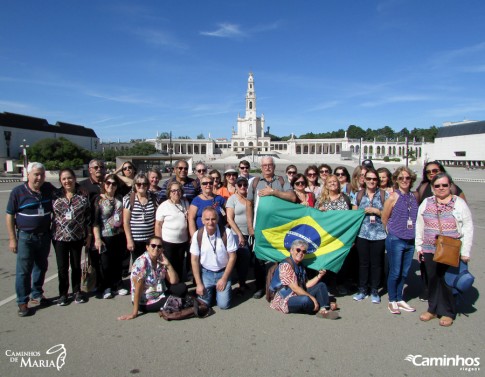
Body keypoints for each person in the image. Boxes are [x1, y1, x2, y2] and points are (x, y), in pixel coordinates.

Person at [415, 173, 473, 327]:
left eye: (444, 185)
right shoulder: (426, 202)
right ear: (433, 188)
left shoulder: (458, 203)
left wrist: (465, 252)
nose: (441, 188)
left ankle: (448, 311)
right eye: (437, 186)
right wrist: (419, 246)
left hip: (451, 248)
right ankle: (432, 309)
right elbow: (419, 224)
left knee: (448, 281)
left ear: (450, 186)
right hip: (430, 248)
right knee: (432, 279)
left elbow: (468, 227)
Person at [6, 162, 55, 317]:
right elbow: (9, 216)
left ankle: (37, 293)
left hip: (44, 235)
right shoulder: (18, 192)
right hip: (26, 237)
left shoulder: (47, 189)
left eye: (41, 174)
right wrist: (12, 239)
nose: (39, 177)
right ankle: (22, 301)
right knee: (23, 271)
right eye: (36, 174)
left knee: (41, 266)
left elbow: (65, 190)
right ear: (28, 175)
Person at [248, 156, 296, 299]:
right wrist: (250, 226)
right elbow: (248, 204)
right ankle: (260, 286)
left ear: (274, 167)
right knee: (259, 258)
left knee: (280, 257)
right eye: (264, 166)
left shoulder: (281, 181)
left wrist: (274, 192)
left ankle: (279, 286)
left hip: (279, 227)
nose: (267, 167)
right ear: (261, 167)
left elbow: (292, 197)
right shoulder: (256, 182)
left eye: (270, 165)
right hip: (261, 226)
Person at [117, 236, 187, 320]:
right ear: (147, 247)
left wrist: (168, 264)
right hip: (146, 300)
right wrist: (134, 313)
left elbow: (174, 281)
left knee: (182, 288)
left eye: (159, 246)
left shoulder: (160, 259)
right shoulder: (142, 263)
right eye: (153, 245)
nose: (156, 248)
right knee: (178, 302)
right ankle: (166, 305)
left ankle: (167, 303)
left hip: (159, 292)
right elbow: (137, 288)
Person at [270, 240, 339, 319]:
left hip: (297, 293)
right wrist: (312, 298)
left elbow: (306, 285)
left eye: (304, 251)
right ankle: (324, 305)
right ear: (291, 251)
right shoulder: (285, 265)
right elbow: (294, 288)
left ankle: (324, 309)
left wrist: (319, 276)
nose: (301, 253)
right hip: (285, 299)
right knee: (306, 300)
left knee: (321, 285)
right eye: (298, 250)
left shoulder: (300, 266)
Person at [381, 167, 419, 314]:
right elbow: (385, 217)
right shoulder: (393, 196)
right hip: (396, 238)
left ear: (411, 180)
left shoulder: (413, 196)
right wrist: (391, 231)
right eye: (401, 178)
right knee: (395, 271)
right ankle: (392, 300)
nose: (404, 180)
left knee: (404, 271)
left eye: (407, 178)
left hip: (410, 239)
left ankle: (399, 297)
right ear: (396, 180)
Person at [52, 168, 91, 306]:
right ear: (60, 181)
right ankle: (63, 294)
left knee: (76, 266)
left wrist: (89, 235)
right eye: (64, 179)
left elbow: (88, 217)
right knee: (62, 267)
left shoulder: (83, 195)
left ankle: (77, 291)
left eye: (69, 178)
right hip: (59, 237)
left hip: (77, 237)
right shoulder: (55, 195)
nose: (67, 181)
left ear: (74, 179)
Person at [352, 168, 389, 304]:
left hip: (379, 234)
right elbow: (353, 214)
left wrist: (377, 211)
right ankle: (362, 289)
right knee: (363, 263)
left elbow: (388, 214)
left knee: (377, 264)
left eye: (374, 179)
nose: (372, 181)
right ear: (365, 180)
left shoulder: (385, 195)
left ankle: (374, 289)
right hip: (362, 234)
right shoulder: (359, 195)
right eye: (369, 179)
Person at [190, 207, 237, 309]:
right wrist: (198, 283)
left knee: (223, 305)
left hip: (223, 272)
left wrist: (224, 278)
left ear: (217, 220)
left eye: (213, 219)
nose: (210, 222)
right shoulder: (197, 235)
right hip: (206, 274)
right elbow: (194, 260)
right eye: (207, 219)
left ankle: (221, 290)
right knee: (204, 304)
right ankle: (215, 292)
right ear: (202, 220)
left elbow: (232, 257)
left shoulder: (227, 233)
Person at [315, 174, 352, 295]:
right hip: (325, 237)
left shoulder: (345, 198)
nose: (332, 184)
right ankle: (326, 285)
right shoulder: (321, 199)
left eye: (335, 182)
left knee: (341, 262)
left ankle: (340, 284)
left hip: (341, 237)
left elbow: (351, 217)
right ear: (326, 185)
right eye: (330, 182)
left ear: (339, 184)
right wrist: (319, 212)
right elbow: (314, 216)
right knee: (326, 262)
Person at [93, 174, 126, 299]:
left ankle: (118, 284)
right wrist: (97, 238)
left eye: (114, 184)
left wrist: (116, 173)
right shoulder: (99, 199)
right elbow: (95, 221)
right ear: (104, 184)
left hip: (119, 235)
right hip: (105, 235)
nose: (111, 186)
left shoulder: (120, 198)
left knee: (118, 261)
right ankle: (106, 286)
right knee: (105, 263)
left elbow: (130, 183)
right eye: (108, 183)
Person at [79, 159, 107, 292]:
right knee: (95, 257)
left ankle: (107, 283)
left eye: (101, 167)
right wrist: (88, 233)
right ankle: (97, 283)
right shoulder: (83, 186)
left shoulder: (109, 183)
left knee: (108, 258)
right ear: (90, 169)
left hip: (109, 227)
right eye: (95, 167)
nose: (99, 169)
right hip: (92, 227)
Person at [155, 181, 190, 280]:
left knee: (179, 264)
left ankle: (177, 286)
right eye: (173, 190)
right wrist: (159, 242)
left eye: (178, 190)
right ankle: (168, 286)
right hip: (168, 242)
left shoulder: (185, 203)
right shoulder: (163, 206)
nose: (176, 192)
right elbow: (158, 225)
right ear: (169, 193)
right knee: (169, 265)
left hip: (182, 241)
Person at [226, 176, 254, 295]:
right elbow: (230, 219)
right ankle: (238, 284)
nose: (243, 187)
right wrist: (239, 234)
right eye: (240, 185)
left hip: (250, 234)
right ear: (236, 186)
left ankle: (242, 282)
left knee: (245, 260)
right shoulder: (232, 199)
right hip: (236, 234)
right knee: (241, 258)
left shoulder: (249, 198)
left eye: (245, 185)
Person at [123, 173, 157, 262]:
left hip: (150, 239)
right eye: (138, 184)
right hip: (136, 240)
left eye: (144, 184)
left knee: (150, 263)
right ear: (135, 185)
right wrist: (129, 240)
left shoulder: (153, 198)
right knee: (138, 266)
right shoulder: (129, 199)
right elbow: (126, 222)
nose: (141, 186)